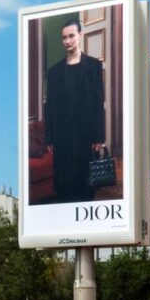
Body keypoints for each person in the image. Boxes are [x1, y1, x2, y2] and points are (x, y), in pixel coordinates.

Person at [44, 18, 106, 203]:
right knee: (64, 180)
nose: (68, 41)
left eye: (71, 36)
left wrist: (99, 136)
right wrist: (50, 137)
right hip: (62, 134)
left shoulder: (94, 66)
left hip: (86, 133)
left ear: (80, 35)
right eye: (64, 38)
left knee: (85, 181)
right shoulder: (54, 72)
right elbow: (50, 107)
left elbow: (98, 103)